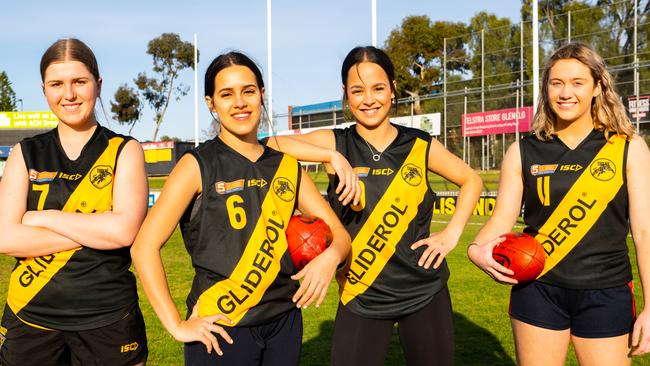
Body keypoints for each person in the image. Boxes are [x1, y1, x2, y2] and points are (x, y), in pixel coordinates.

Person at [265, 46, 482, 366]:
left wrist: (452, 233)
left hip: (424, 292)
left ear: (393, 89)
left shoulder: (419, 144)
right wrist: (331, 157)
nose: (369, 99)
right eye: (357, 90)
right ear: (345, 94)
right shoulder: (335, 143)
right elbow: (269, 145)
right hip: (360, 293)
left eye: (378, 88)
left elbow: (471, 180)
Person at [130, 51, 351, 366]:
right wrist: (176, 325)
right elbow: (144, 247)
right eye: (226, 94)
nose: (240, 102)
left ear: (262, 94)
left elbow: (339, 233)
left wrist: (331, 257)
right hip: (221, 329)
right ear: (211, 102)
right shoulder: (196, 165)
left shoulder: (286, 166)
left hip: (284, 322)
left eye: (248, 91)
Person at [467, 42, 650, 365]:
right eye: (557, 83)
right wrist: (476, 249)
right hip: (538, 290)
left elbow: (645, 232)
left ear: (597, 87)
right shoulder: (522, 151)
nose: (566, 93)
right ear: (546, 89)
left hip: (605, 292)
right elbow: (501, 220)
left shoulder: (628, 147)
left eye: (578, 83)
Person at [0, 38, 149, 366]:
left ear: (98, 84)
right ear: (44, 89)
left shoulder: (125, 150)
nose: (68, 94)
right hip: (30, 317)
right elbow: (6, 238)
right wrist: (98, 226)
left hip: (109, 319)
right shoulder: (24, 153)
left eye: (79, 82)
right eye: (56, 84)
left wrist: (42, 217)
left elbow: (124, 233)